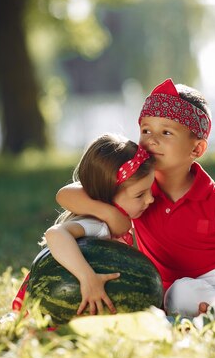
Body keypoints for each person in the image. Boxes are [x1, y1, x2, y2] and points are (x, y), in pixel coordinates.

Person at [56, 79, 215, 318]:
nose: (151, 141)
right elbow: (67, 194)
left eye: (166, 133)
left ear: (197, 148)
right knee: (181, 292)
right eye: (146, 131)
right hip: (187, 288)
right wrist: (109, 213)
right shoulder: (137, 189)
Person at [12, 133, 156, 316]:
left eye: (150, 190)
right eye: (140, 194)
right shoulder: (98, 225)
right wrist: (87, 277)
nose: (151, 199)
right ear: (108, 195)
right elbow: (55, 234)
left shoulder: (115, 220)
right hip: (50, 304)